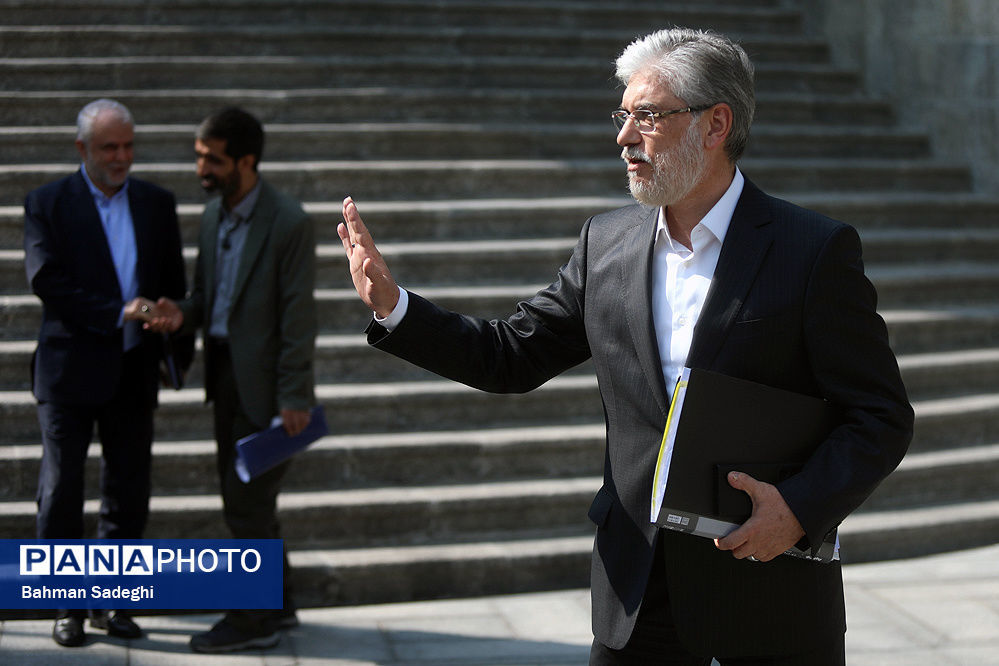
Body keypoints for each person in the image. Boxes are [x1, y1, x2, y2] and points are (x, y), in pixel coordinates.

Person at [337, 28, 914, 664]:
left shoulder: (812, 250)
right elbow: (509, 356)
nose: (624, 137)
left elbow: (880, 416)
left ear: (715, 124)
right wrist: (394, 307)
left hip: (767, 589)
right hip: (635, 593)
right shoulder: (605, 243)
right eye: (623, 116)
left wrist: (799, 510)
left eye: (647, 116)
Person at [146, 107, 316, 653]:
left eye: (212, 160)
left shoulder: (288, 221)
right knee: (252, 500)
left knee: (245, 502)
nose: (202, 168)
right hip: (223, 378)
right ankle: (279, 603)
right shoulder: (212, 215)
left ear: (246, 161)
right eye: (199, 157)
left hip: (267, 388)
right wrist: (181, 313)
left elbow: (298, 318)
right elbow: (207, 296)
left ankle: (252, 620)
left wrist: (294, 395)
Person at [23, 98, 190, 647]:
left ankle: (114, 601)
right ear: (82, 148)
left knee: (128, 490)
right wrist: (117, 311)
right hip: (68, 371)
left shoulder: (157, 203)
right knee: (61, 490)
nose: (121, 157)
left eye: (128, 146)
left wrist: (168, 318)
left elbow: (173, 285)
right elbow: (46, 279)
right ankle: (66, 605)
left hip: (133, 368)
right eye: (109, 147)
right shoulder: (47, 203)